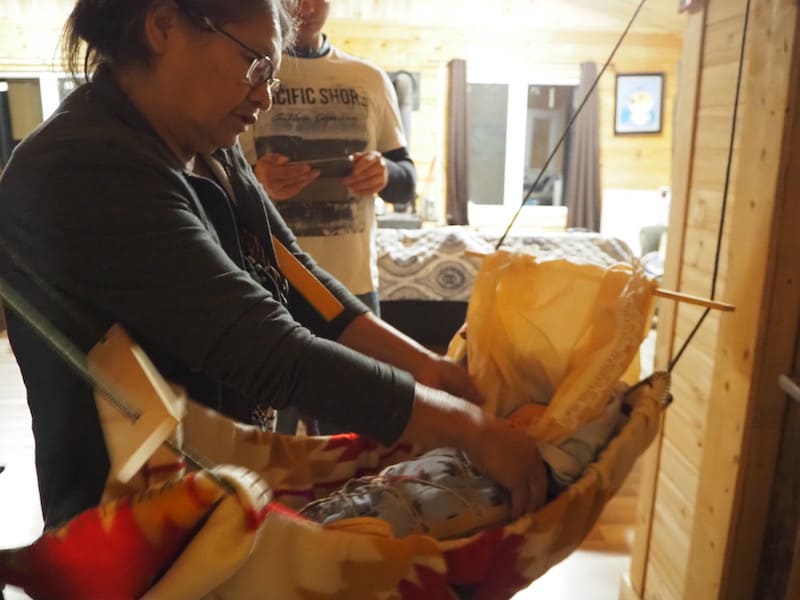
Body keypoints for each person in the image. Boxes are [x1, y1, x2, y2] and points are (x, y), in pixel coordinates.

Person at [0, 0, 545, 533]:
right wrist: (471, 429)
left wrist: (426, 366)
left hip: (215, 495)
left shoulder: (204, 142)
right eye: (254, 64)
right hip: (128, 526)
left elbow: (296, 276)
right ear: (164, 24)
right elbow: (263, 348)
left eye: (272, 76)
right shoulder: (83, 165)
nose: (263, 98)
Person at [241, 0, 416, 317]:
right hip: (271, 283)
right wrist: (257, 178)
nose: (305, 8)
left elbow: (406, 182)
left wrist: (384, 173)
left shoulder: (370, 79)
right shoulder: (250, 76)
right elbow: (212, 178)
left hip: (355, 286)